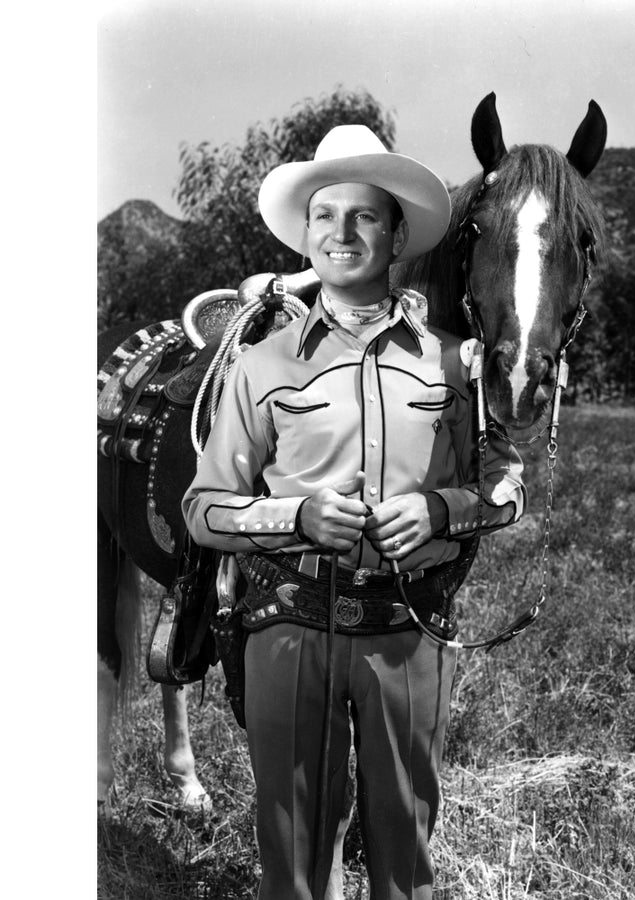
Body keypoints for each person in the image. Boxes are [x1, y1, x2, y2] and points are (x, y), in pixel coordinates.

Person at [182, 124, 526, 900]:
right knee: (293, 850)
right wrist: (294, 519)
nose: (342, 233)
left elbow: (507, 480)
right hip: (288, 626)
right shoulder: (259, 365)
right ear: (305, 233)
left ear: (397, 232)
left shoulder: (451, 360)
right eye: (325, 215)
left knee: (405, 850)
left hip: (409, 631)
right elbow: (204, 508)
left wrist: (441, 511)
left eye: (365, 215)